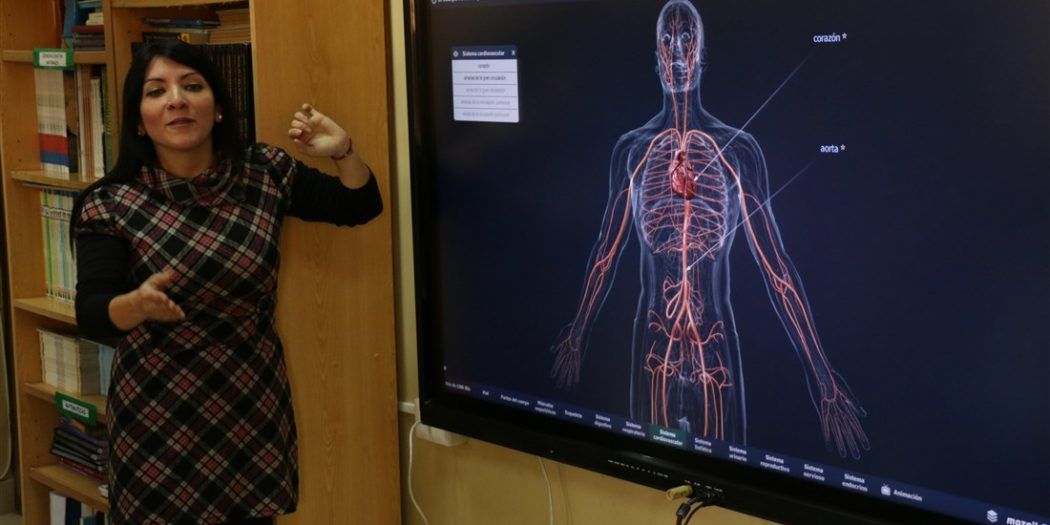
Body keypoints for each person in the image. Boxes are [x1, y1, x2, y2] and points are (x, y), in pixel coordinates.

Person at [70, 39, 382, 524]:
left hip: (251, 411)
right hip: (156, 421)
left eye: (192, 86)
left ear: (217, 109)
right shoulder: (110, 202)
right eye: (157, 91)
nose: (176, 100)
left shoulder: (264, 172)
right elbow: (92, 313)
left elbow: (359, 205)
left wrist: (342, 151)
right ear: (138, 121)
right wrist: (135, 304)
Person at [550, 0, 868, 459]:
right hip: (654, 343)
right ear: (655, 56)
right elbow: (605, 255)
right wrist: (577, 335)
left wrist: (823, 379)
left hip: (713, 346)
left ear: (703, 52)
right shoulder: (634, 150)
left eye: (687, 39)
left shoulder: (736, 150)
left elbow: (777, 271)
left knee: (727, 477)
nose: (677, 53)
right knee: (650, 469)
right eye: (667, 40)